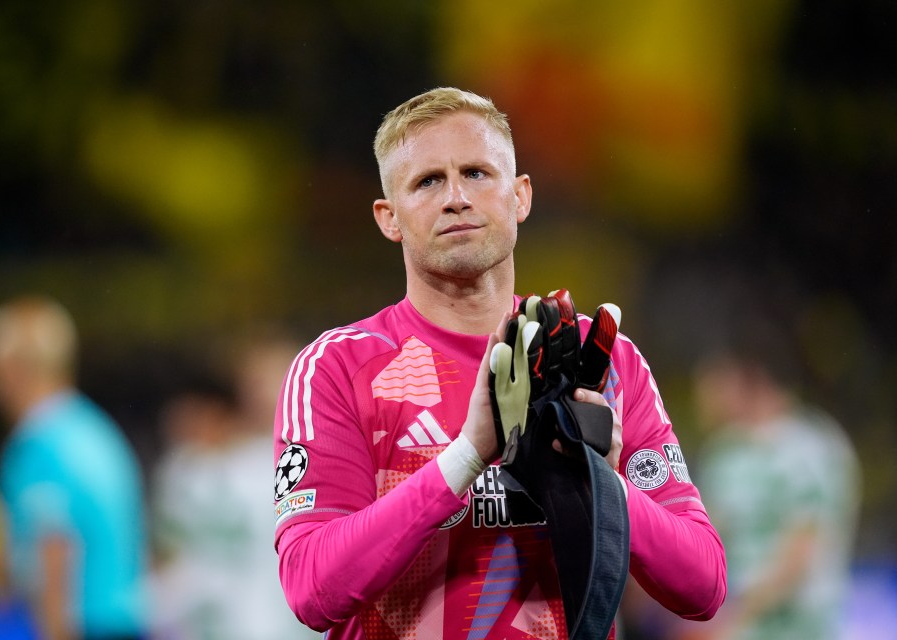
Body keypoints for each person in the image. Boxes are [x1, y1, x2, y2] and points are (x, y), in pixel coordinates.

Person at [272, 87, 726, 639]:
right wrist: (467, 455)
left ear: (520, 196)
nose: (456, 197)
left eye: (478, 173)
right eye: (428, 181)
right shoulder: (337, 368)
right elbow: (312, 588)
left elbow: (703, 586)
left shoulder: (600, 360)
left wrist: (602, 483)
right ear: (389, 218)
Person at [0, 295, 148, 640]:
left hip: (85, 627)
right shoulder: (92, 429)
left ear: (11, 368)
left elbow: (54, 559)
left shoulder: (40, 445)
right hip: (125, 622)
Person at [684, 329, 861, 639]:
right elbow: (710, 538)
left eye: (714, 382)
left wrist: (733, 616)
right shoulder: (723, 453)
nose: (704, 396)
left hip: (799, 629)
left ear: (747, 379)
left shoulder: (812, 446)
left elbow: (803, 552)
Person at [149, 344, 319, 640]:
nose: (263, 397)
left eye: (272, 384)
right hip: (207, 625)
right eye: (254, 386)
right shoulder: (189, 468)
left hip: (281, 624)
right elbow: (167, 554)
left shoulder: (311, 461)